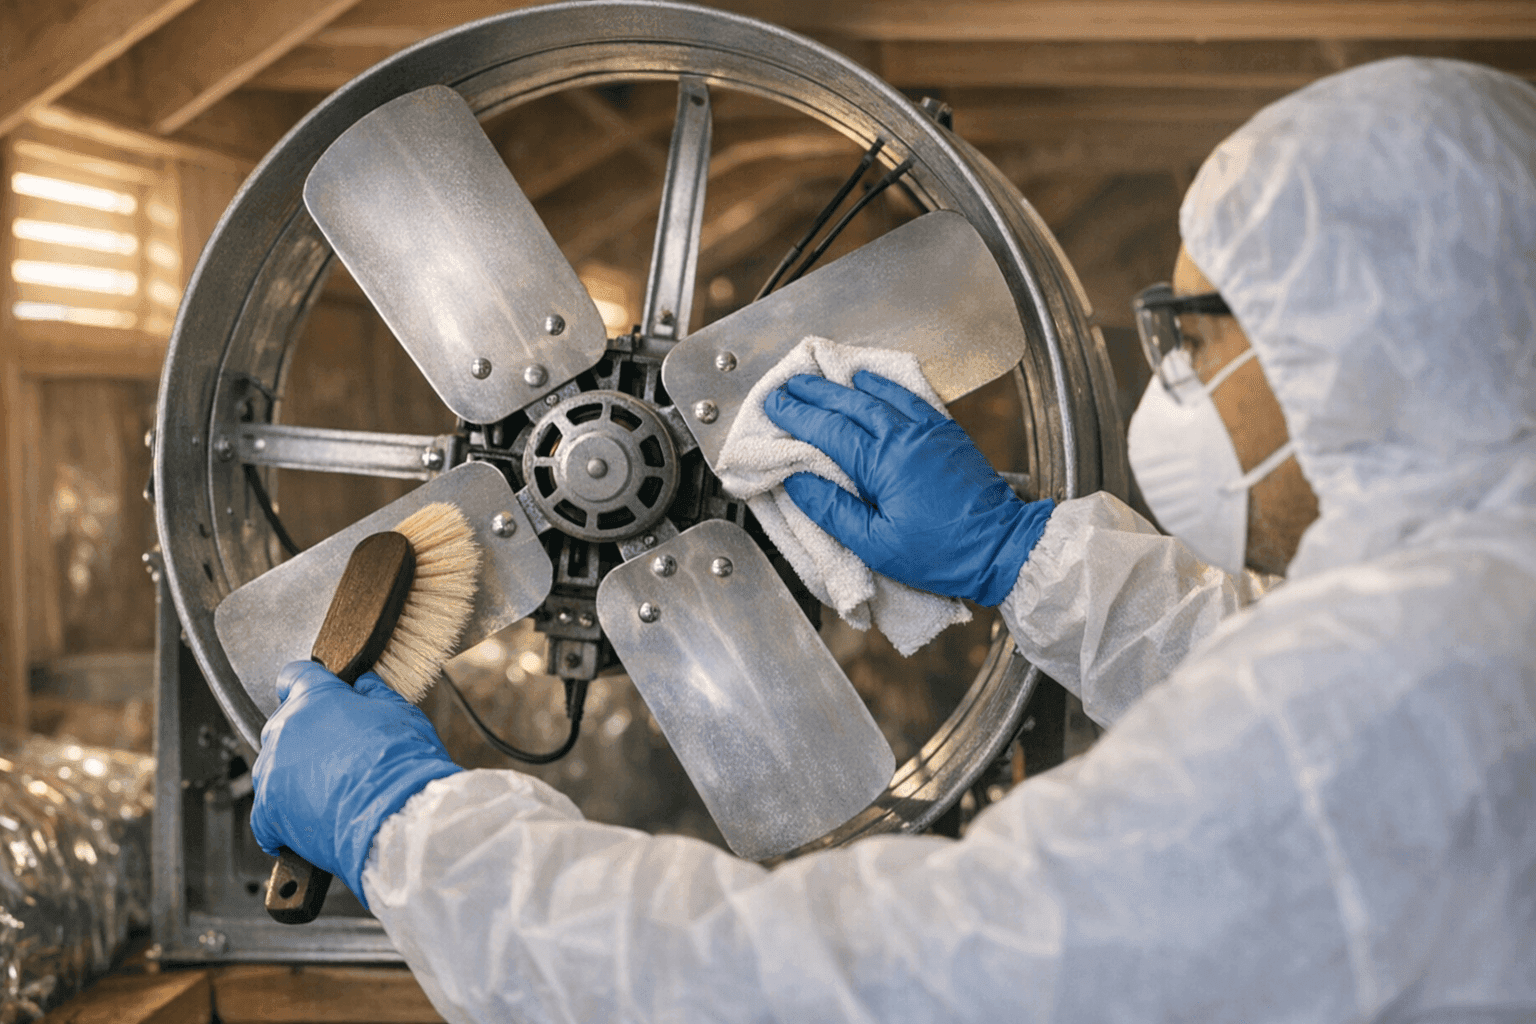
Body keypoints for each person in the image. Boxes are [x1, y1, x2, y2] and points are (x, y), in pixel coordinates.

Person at [251, 57, 1536, 1022]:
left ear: (1357, 338)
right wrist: (1016, 554)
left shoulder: (1401, 688)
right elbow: (1269, 682)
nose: (1176, 372)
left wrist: (414, 835)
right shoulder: (1473, 619)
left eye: (1196, 331)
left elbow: (867, 986)